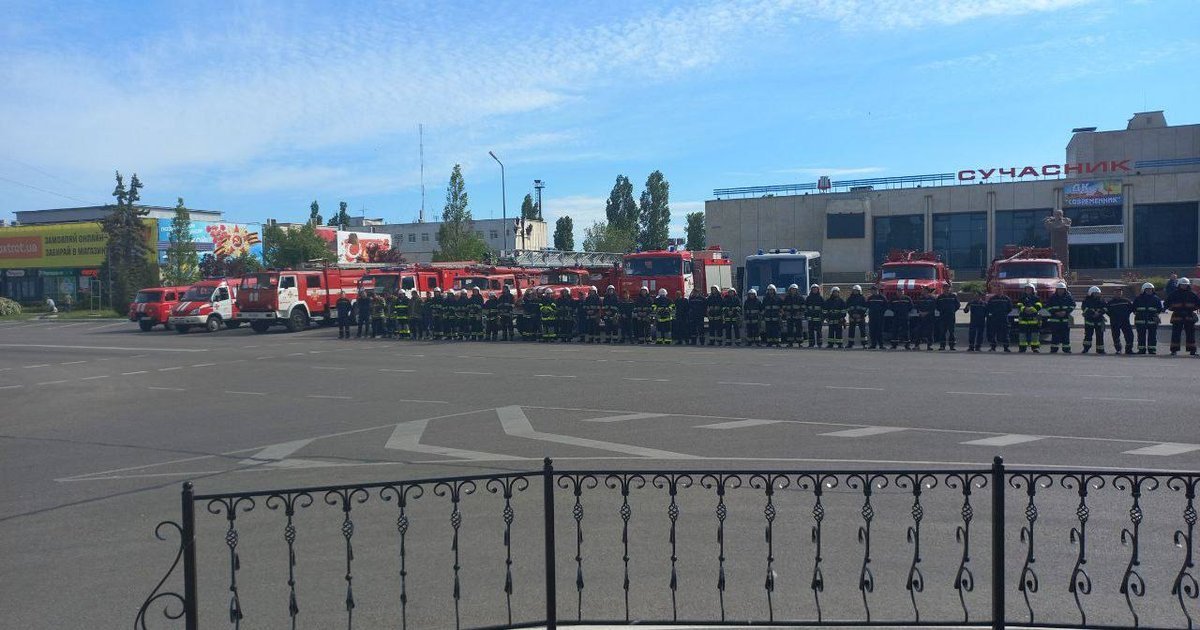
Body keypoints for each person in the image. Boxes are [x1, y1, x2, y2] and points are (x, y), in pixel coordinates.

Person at [1166, 277, 1200, 356]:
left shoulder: (1192, 294)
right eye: (1182, 285)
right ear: (1179, 285)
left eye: (1185, 285)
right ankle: (1174, 350)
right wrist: (1172, 308)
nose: (1184, 286)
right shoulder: (1174, 294)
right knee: (1176, 335)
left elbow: (1198, 304)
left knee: (1191, 335)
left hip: (1189, 316)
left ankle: (1192, 351)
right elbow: (1166, 303)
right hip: (1177, 316)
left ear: (1188, 285)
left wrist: (1193, 309)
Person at [1132, 282, 1163, 355]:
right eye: (1147, 289)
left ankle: (1152, 349)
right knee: (1141, 336)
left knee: (1152, 336)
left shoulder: (1156, 299)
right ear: (1143, 290)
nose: (1149, 291)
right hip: (1140, 321)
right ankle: (1141, 349)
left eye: (1150, 289)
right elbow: (1133, 308)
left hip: (1152, 321)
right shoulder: (1138, 299)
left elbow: (1160, 308)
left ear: (1153, 290)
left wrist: (1156, 315)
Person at [1045, 282, 1075, 353]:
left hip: (1065, 320)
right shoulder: (1052, 297)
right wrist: (1055, 312)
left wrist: (1066, 312)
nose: (1060, 291)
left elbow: (1073, 305)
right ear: (1057, 290)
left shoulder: (1068, 297)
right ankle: (1054, 349)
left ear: (1065, 290)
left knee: (1066, 335)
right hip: (1055, 320)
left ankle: (1066, 349)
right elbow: (1048, 307)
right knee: (1055, 335)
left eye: (1062, 289)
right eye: (1059, 289)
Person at [1105, 287, 1134, 355]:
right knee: (1116, 336)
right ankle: (1118, 349)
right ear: (1114, 293)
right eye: (1117, 292)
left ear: (1121, 293)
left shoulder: (1126, 301)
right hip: (1115, 322)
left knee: (1129, 336)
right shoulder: (1110, 303)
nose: (1118, 293)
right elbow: (1107, 311)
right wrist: (1113, 316)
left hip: (1125, 321)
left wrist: (1126, 315)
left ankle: (1128, 350)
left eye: (1120, 292)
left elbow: (1131, 309)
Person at [1016, 284, 1042, 353]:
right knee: (1022, 334)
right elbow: (1019, 305)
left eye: (1030, 289)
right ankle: (1022, 348)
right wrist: (1025, 309)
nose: (1028, 290)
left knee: (1035, 334)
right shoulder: (1021, 298)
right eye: (1027, 289)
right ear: (1025, 290)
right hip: (1023, 319)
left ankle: (1035, 348)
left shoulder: (1036, 298)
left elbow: (1039, 306)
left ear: (1033, 290)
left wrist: (1032, 309)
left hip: (1033, 319)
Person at [1079, 286, 1106, 354]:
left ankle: (1100, 350)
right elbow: (1084, 308)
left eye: (1098, 293)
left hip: (1099, 321)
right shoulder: (1086, 300)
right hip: (1089, 321)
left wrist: (1099, 313)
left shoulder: (1102, 300)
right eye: (1095, 293)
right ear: (1091, 293)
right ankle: (1086, 348)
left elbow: (1105, 308)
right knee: (1088, 336)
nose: (1097, 294)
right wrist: (1093, 313)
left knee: (1100, 336)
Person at [935, 283, 960, 351]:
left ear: (950, 289)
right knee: (942, 331)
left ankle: (952, 346)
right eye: (945, 288)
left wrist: (953, 310)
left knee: (951, 332)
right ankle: (942, 346)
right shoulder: (940, 297)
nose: (946, 289)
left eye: (948, 288)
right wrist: (941, 310)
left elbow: (958, 305)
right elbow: (937, 306)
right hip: (943, 316)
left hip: (951, 316)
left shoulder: (953, 296)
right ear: (943, 289)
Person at [913, 286, 937, 351]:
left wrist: (927, 313)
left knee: (929, 332)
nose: (922, 291)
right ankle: (917, 345)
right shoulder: (920, 298)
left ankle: (929, 346)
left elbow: (934, 307)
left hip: (929, 317)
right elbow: (917, 306)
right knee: (918, 331)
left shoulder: (932, 298)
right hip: (921, 317)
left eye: (923, 290)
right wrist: (920, 312)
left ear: (927, 291)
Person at [805, 284, 825, 348]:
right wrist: (806, 316)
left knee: (819, 332)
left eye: (816, 289)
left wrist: (823, 317)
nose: (814, 290)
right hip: (810, 318)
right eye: (813, 289)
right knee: (810, 332)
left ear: (818, 290)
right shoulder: (808, 298)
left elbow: (824, 308)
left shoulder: (820, 298)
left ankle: (819, 344)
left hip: (818, 318)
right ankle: (811, 344)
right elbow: (806, 308)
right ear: (811, 290)